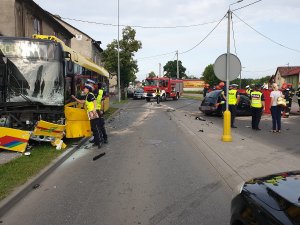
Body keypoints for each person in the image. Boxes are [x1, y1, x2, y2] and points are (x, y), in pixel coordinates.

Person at [72, 84, 103, 148]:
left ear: (88, 89)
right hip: (90, 113)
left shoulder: (90, 94)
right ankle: (96, 141)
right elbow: (81, 102)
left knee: (95, 128)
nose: (84, 89)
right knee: (93, 128)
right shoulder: (87, 96)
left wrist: (94, 110)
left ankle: (99, 142)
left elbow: (94, 102)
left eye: (85, 88)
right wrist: (74, 98)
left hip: (93, 112)